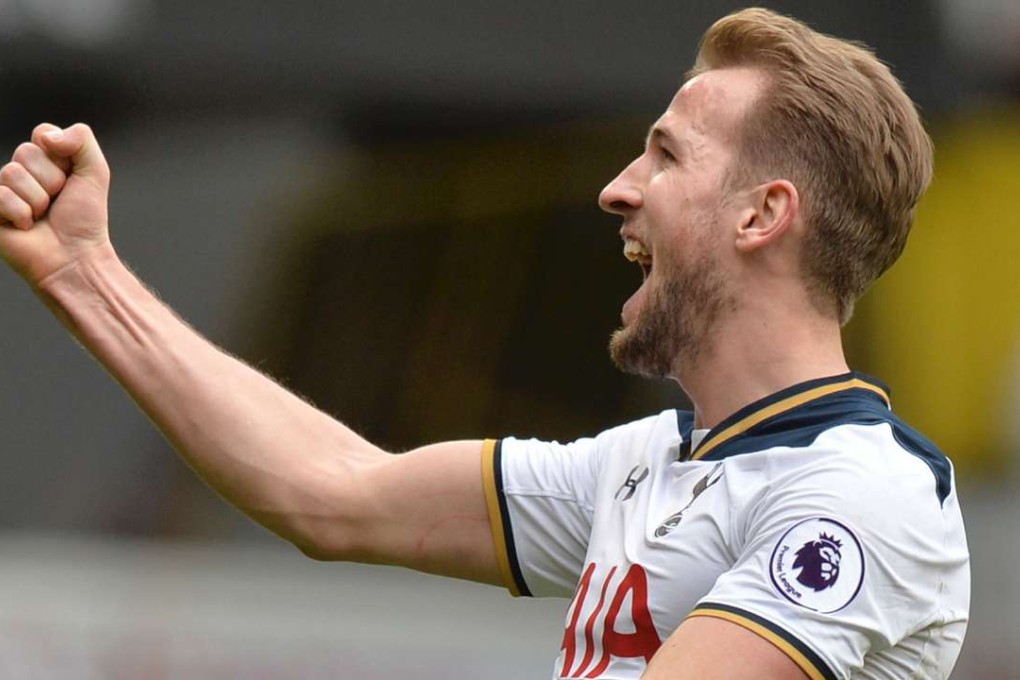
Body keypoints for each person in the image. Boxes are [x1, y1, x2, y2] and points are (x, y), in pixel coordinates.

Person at [0, 7, 969, 680]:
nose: (617, 187)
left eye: (667, 153)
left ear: (764, 213)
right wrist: (88, 273)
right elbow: (332, 491)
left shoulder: (856, 499)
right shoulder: (646, 464)